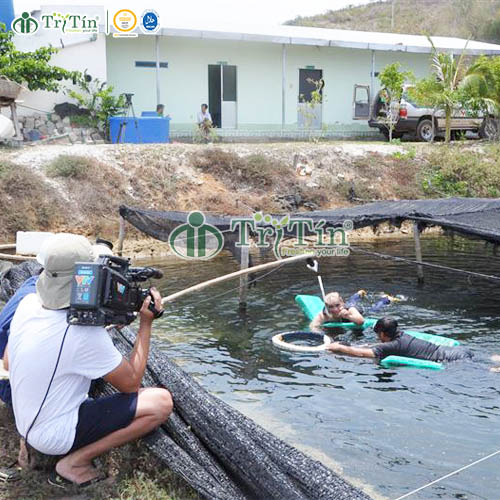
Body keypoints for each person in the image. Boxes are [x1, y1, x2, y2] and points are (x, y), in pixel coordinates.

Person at [3, 233, 173, 487]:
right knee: (160, 402)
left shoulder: (28, 304)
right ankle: (75, 463)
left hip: (25, 422)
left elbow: (8, 361)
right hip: (54, 435)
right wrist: (146, 323)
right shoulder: (82, 334)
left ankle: (28, 447)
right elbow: (131, 383)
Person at [326, 317, 473, 362]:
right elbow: (378, 346)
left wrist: (339, 347)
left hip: (453, 360)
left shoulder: (392, 346)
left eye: (378, 334)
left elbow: (362, 354)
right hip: (456, 351)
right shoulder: (402, 335)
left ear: (382, 334)